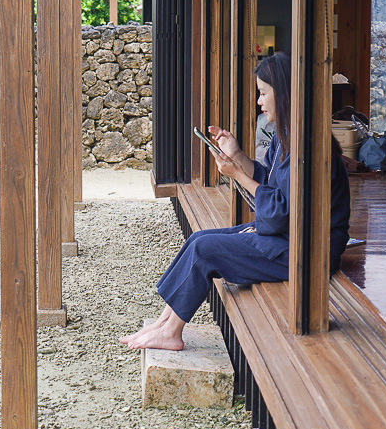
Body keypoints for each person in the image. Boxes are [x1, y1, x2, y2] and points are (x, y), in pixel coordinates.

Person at [120, 52, 351, 351]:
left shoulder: (307, 145)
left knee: (205, 251)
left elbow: (280, 212)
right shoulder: (287, 135)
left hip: (306, 252)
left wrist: (237, 176)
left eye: (263, 93)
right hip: (288, 237)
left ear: (283, 94)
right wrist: (238, 157)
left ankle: (172, 332)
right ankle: (164, 324)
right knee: (199, 239)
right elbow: (270, 180)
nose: (259, 101)